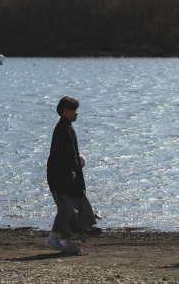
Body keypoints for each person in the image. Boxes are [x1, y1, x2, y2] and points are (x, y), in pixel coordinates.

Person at [45, 96, 102, 252]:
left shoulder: (66, 126)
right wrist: (69, 170)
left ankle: (63, 239)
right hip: (60, 175)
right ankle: (56, 238)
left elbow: (69, 152)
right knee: (67, 207)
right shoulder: (62, 128)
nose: (77, 113)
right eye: (75, 110)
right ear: (66, 111)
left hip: (65, 173)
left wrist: (77, 162)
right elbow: (60, 154)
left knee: (70, 207)